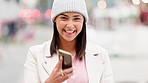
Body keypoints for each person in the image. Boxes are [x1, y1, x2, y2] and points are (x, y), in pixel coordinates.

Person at [23, 0, 114, 83]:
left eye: (76, 18)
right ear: (55, 19)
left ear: (83, 21)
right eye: (64, 18)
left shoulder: (101, 55)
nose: (70, 25)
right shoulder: (35, 54)